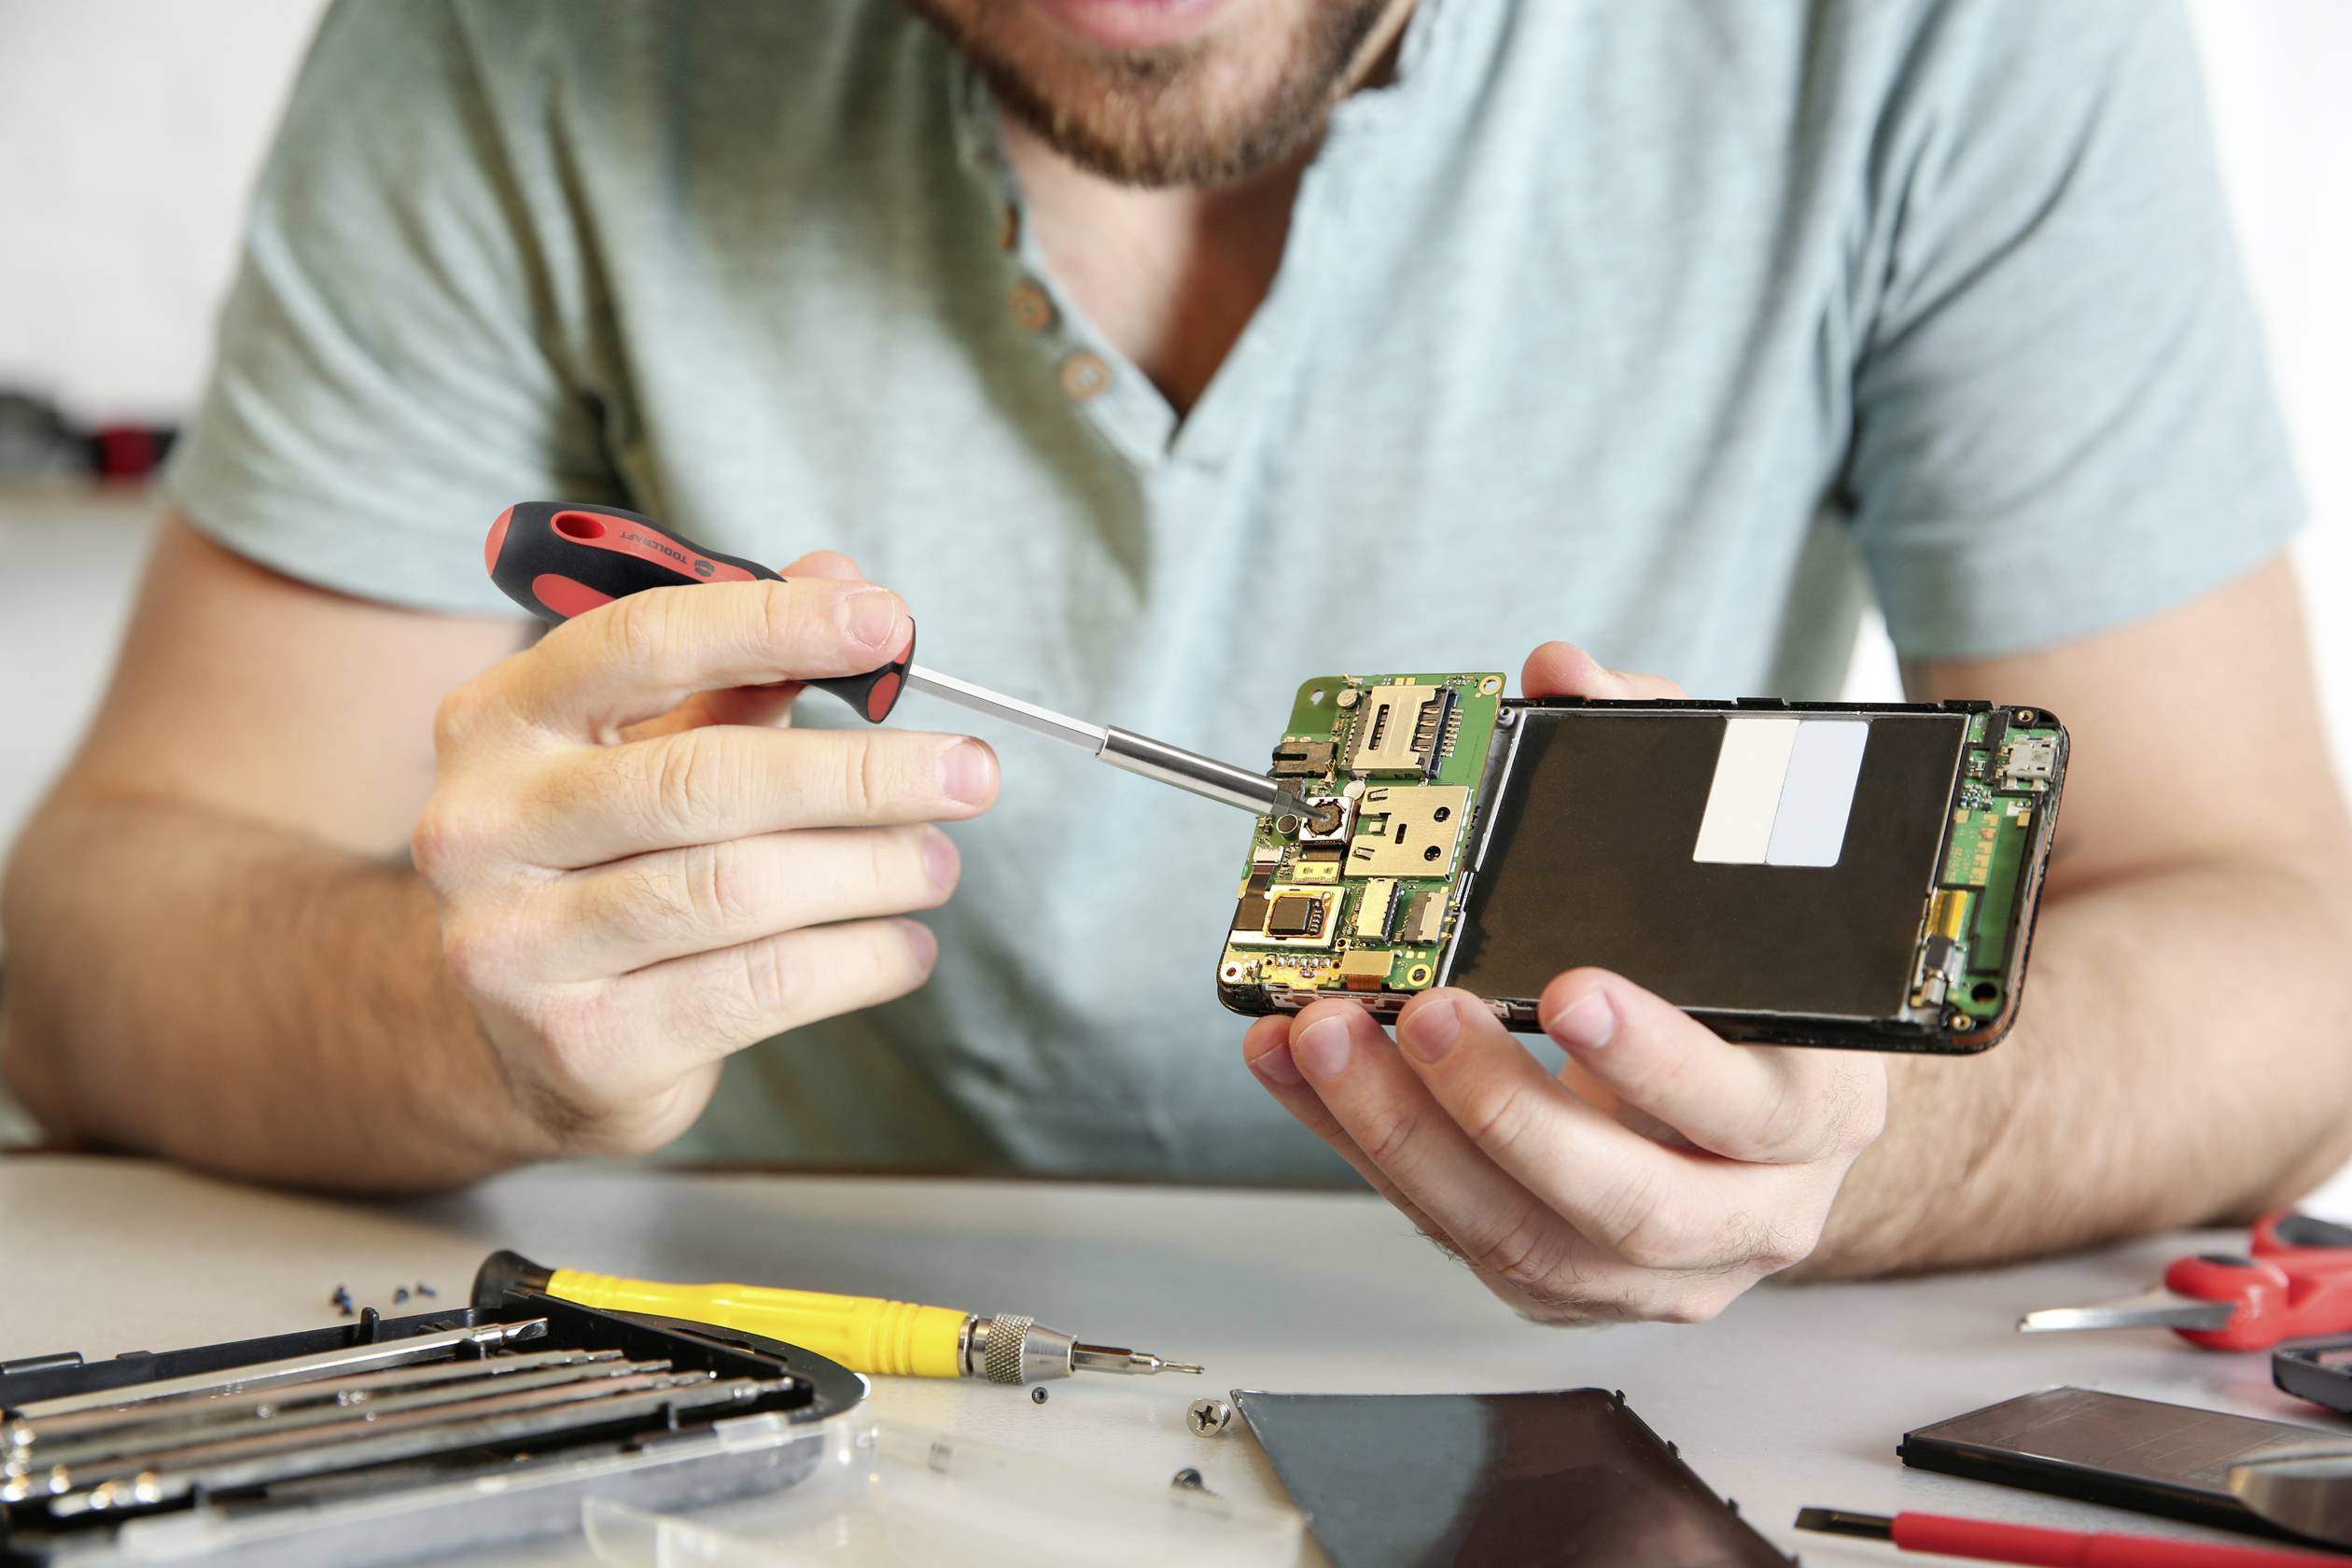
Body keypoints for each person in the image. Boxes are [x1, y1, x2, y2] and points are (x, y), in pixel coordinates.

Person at [6, 0, 2348, 1327]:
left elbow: (2282, 951)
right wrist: (473, 1017)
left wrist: (1847, 1157)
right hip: (799, 1409)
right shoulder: (504, 41)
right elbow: (92, 942)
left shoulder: (1955, 31)